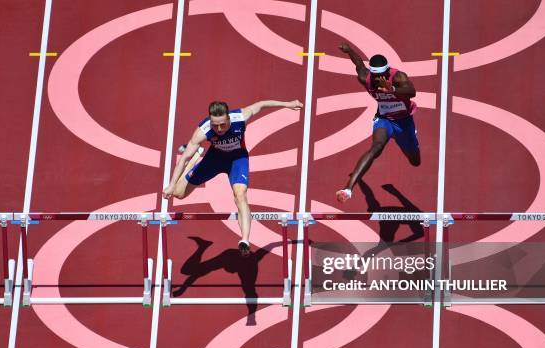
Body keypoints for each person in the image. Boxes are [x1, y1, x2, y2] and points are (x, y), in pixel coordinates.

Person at [163, 99, 303, 256]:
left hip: (237, 159)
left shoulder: (241, 116)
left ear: (229, 118)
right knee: (178, 194)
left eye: (223, 124)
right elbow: (183, 159)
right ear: (210, 121)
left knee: (240, 194)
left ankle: (244, 240)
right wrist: (171, 184)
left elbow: (262, 105)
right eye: (215, 125)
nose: (219, 129)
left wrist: (287, 104)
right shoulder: (203, 131)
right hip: (214, 159)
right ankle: (197, 157)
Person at [335, 42, 420, 203]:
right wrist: (350, 51)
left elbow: (412, 92)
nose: (378, 78)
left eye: (381, 74)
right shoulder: (365, 78)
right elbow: (358, 63)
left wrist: (393, 90)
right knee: (376, 147)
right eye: (375, 75)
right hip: (384, 119)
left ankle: (404, 142)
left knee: (415, 161)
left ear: (387, 71)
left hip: (404, 122)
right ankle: (348, 188)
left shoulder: (398, 76)